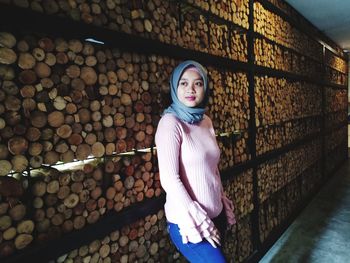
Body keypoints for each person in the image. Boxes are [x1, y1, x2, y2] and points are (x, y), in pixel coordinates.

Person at [155, 60, 236, 262]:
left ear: (205, 87)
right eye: (183, 83)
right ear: (175, 86)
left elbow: (212, 168)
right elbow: (169, 179)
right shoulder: (170, 123)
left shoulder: (206, 121)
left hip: (216, 215)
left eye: (198, 83)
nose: (190, 89)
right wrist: (197, 215)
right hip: (189, 220)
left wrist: (222, 199)